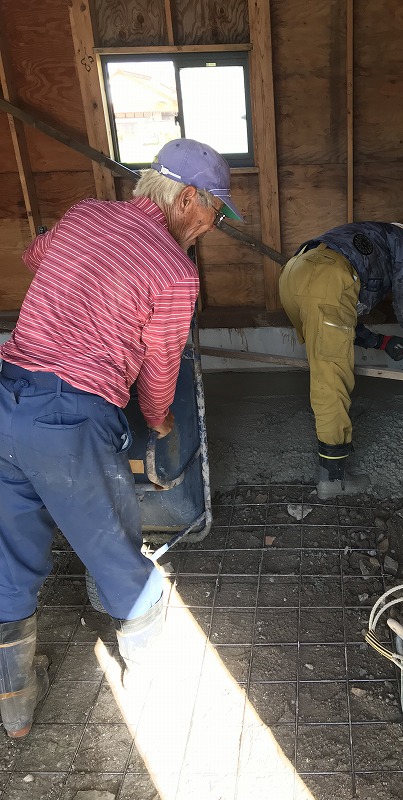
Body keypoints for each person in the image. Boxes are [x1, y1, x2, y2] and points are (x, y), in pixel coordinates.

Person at [0, 138, 243, 737]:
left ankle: (15, 705)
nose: (210, 227)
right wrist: (158, 420)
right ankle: (153, 688)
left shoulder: (84, 214)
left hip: (7, 400)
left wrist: (83, 279)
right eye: (214, 213)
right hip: (70, 421)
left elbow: (36, 255)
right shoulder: (174, 273)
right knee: (116, 555)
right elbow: (160, 372)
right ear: (186, 199)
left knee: (9, 554)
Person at [279, 221, 403, 500]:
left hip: (294, 273)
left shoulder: (368, 242)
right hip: (324, 278)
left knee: (327, 359)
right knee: (331, 376)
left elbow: (340, 318)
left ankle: (337, 423)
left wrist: (381, 342)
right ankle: (332, 480)